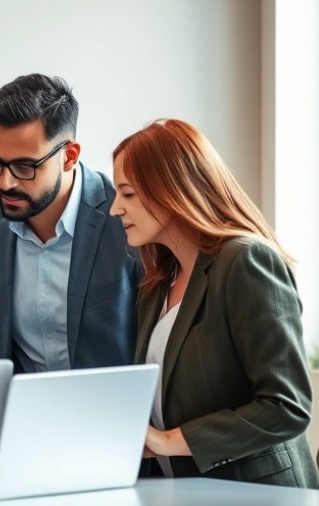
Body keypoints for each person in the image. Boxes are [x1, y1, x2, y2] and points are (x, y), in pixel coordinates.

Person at [110, 118, 319, 487]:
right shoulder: (157, 285)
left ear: (171, 189)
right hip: (190, 491)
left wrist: (163, 441)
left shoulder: (245, 261)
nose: (115, 209)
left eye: (127, 194)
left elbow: (287, 406)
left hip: (259, 492)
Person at [0, 73, 139, 373]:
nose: (4, 182)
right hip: (21, 412)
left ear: (69, 157)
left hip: (115, 412)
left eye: (24, 166)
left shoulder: (127, 217)